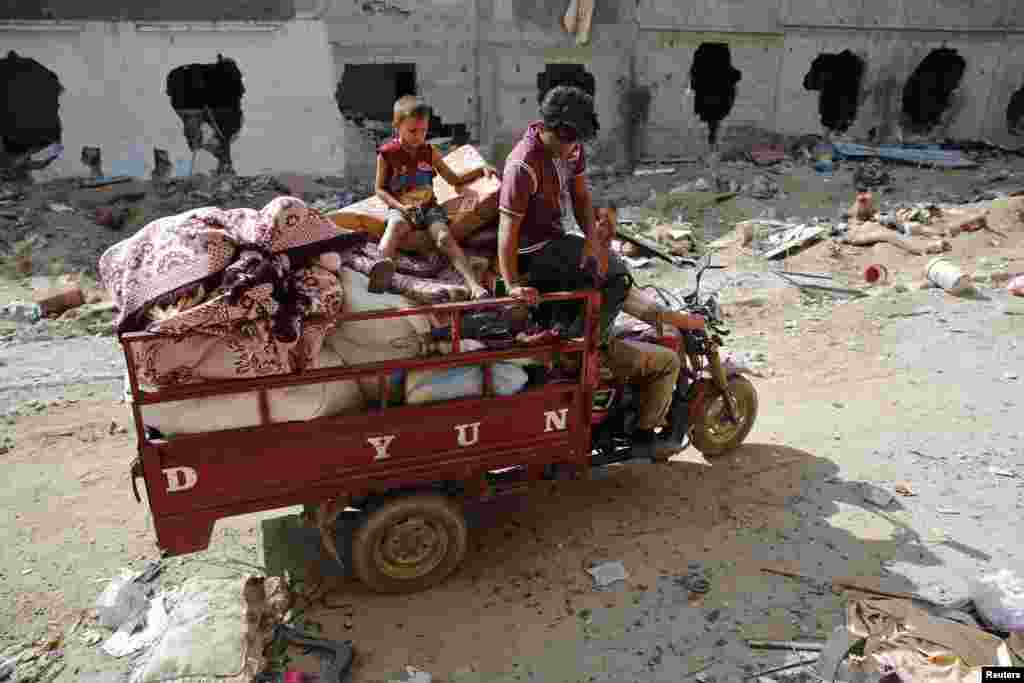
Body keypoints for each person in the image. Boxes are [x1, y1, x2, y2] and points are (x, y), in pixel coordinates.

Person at [496, 85, 704, 460]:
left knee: (606, 269)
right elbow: (507, 231)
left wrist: (595, 244)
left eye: (576, 138)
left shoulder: (571, 150)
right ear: (548, 126)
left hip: (556, 242)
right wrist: (512, 283)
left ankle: (582, 331)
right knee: (617, 279)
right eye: (566, 137)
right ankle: (590, 346)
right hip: (532, 253)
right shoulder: (523, 163)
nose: (570, 144)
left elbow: (580, 197)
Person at [372, 95, 496, 297]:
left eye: (423, 131)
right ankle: (380, 272)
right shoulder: (387, 154)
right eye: (412, 131)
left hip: (429, 208)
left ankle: (474, 285)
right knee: (395, 226)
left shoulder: (430, 152)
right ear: (397, 126)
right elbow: (379, 189)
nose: (419, 136)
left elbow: (453, 179)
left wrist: (481, 170)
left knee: (445, 238)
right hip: (401, 208)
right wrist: (400, 208)